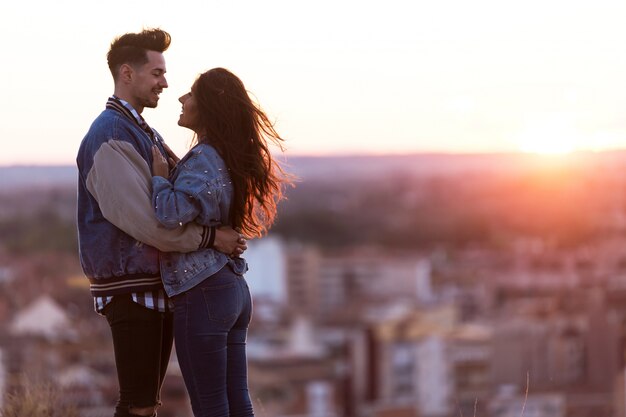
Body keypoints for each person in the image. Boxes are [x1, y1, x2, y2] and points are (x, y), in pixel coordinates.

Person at [76, 29, 246, 417]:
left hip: (155, 286)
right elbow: (149, 223)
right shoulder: (108, 135)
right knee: (137, 404)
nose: (165, 83)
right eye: (156, 73)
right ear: (127, 73)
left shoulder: (140, 130)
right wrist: (211, 238)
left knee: (146, 404)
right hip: (130, 288)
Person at [150, 67, 292, 417]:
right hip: (231, 292)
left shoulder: (204, 159)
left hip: (203, 292)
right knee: (236, 402)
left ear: (209, 106)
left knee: (210, 407)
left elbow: (169, 213)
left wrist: (157, 179)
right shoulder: (222, 157)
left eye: (191, 94)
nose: (182, 99)